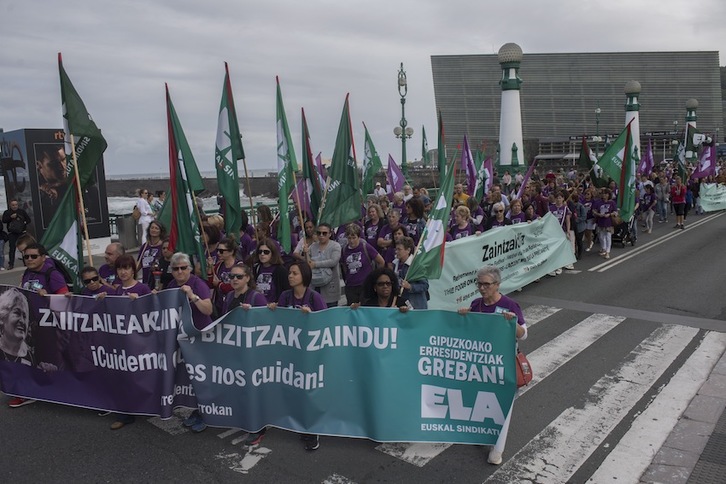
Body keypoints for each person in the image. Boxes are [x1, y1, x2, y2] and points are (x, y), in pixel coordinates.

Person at [457, 265, 527, 465]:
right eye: (479, 284)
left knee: (502, 406)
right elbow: (469, 333)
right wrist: (464, 317)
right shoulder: (475, 304)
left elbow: (524, 333)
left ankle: (497, 450)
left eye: (486, 284)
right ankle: (482, 434)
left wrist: (512, 324)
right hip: (481, 364)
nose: (481, 288)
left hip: (503, 364)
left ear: (497, 284)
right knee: (480, 402)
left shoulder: (510, 305)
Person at [267, 261, 326, 451]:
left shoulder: (314, 297)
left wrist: (312, 317)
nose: (290, 276)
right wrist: (272, 309)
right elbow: (279, 320)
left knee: (308, 391)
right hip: (290, 353)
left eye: (294, 273)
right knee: (293, 388)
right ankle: (296, 419)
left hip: (310, 355)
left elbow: (328, 324)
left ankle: (312, 430)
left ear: (304, 277)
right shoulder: (285, 296)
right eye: (290, 273)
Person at [167, 252, 213, 433]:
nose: (180, 272)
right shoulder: (171, 285)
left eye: (183, 268)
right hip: (183, 338)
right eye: (176, 269)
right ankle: (198, 409)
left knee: (203, 378)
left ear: (190, 269)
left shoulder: (197, 284)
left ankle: (207, 414)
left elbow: (208, 309)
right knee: (191, 378)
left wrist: (193, 296)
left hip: (201, 337)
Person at [108, 254, 151, 430]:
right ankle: (124, 414)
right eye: (120, 268)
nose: (123, 272)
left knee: (142, 376)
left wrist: (139, 303)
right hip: (123, 342)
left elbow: (153, 313)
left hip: (140, 342)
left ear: (133, 269)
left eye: (126, 268)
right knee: (123, 377)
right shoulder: (117, 290)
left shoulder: (142, 288)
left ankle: (147, 406)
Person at [341, 224, 384, 305]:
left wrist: (376, 277)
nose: (351, 241)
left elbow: (381, 261)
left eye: (354, 238)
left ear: (359, 237)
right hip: (351, 286)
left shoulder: (365, 247)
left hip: (365, 285)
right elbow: (344, 266)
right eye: (349, 238)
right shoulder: (344, 250)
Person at [308, 223, 342, 308]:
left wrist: (316, 264)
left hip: (330, 287)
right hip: (315, 285)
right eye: (319, 233)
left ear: (330, 234)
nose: (321, 235)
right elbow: (309, 263)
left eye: (324, 233)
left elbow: (333, 261)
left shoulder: (335, 246)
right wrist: (306, 253)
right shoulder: (312, 246)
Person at [392, 236, 428, 309]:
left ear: (408, 250)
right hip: (402, 305)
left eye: (399, 249)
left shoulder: (417, 266)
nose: (396, 251)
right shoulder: (395, 264)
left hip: (416, 305)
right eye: (396, 249)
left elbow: (425, 286)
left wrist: (410, 287)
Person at [0, 287, 33, 366]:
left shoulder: (33, 358)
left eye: (25, 316)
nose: (22, 321)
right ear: (2, 317)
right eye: (17, 313)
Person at [209, 237, 241, 316]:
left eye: (221, 251)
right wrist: (210, 269)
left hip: (235, 305)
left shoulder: (240, 266)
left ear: (231, 251)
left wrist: (219, 285)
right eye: (217, 250)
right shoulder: (218, 266)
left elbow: (236, 286)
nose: (218, 253)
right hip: (220, 306)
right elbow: (211, 284)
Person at [3, 199, 31, 269]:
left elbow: (28, 220)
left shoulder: (21, 211)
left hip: (21, 232)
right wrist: (10, 217)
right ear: (10, 205)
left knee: (24, 248)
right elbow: (4, 220)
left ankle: (26, 262)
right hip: (12, 233)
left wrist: (23, 223)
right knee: (12, 249)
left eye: (16, 205)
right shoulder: (7, 212)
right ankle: (11, 264)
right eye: (13, 205)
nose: (15, 206)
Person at [137, 221, 165, 288]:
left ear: (160, 231)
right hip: (146, 281)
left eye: (156, 228)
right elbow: (139, 264)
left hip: (158, 281)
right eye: (152, 228)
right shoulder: (145, 246)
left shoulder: (163, 246)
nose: (154, 230)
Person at [593, 188, 617, 259]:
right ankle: (603, 248)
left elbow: (615, 212)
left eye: (606, 194)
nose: (604, 195)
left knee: (608, 236)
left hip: (608, 221)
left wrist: (609, 214)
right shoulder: (598, 202)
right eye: (603, 194)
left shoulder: (612, 203)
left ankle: (607, 251)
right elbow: (594, 210)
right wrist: (598, 214)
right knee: (601, 236)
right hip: (600, 221)